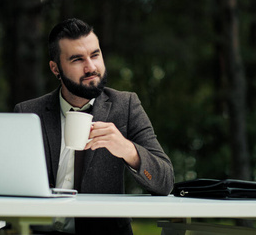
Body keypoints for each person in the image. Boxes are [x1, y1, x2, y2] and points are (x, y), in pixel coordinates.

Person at [14, 18, 174, 235]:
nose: (91, 67)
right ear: (55, 68)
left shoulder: (125, 106)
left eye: (95, 55)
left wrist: (128, 150)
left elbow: (165, 181)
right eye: (77, 59)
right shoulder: (28, 113)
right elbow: (11, 186)